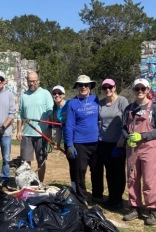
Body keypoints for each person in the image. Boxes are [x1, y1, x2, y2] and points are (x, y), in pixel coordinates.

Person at [121, 79, 156, 225]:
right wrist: (128, 138)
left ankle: (152, 210)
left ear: (147, 90)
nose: (140, 91)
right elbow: (123, 127)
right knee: (132, 177)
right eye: (137, 89)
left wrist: (143, 136)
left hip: (149, 148)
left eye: (143, 89)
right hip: (133, 149)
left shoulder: (155, 108)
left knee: (150, 179)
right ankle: (134, 207)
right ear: (133, 90)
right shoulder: (128, 109)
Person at [65, 75, 100, 205]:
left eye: (86, 85)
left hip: (96, 142)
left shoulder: (95, 99)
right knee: (80, 171)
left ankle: (97, 196)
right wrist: (70, 144)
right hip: (80, 143)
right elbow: (69, 125)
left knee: (96, 170)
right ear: (77, 87)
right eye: (80, 85)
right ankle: (82, 197)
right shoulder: (72, 103)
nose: (83, 87)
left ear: (90, 86)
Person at [94, 79, 129, 210]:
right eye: (105, 88)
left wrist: (122, 138)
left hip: (118, 142)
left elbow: (126, 121)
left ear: (115, 87)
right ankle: (111, 197)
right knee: (108, 171)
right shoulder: (101, 103)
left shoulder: (122, 101)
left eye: (110, 87)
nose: (107, 89)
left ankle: (118, 199)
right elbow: (98, 122)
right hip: (103, 142)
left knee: (118, 171)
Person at [16, 72, 53, 183]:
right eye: (29, 81)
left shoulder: (45, 94)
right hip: (27, 134)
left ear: (38, 81)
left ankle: (40, 183)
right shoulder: (24, 96)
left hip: (41, 133)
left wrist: (49, 130)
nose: (32, 83)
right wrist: (18, 130)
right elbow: (20, 114)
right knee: (26, 162)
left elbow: (50, 112)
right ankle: (28, 183)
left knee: (41, 160)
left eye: (34, 81)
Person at [50, 85, 76, 190]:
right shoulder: (55, 110)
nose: (57, 95)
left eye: (59, 93)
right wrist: (58, 142)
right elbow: (58, 129)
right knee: (72, 164)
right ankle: (74, 187)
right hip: (67, 140)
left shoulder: (70, 104)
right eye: (54, 93)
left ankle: (80, 188)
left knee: (79, 165)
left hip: (76, 139)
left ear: (63, 95)